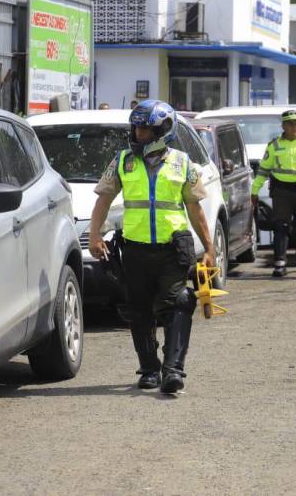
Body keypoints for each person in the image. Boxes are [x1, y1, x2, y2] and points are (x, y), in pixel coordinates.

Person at [88, 100, 215, 395]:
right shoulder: (122, 161)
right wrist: (95, 236)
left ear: (163, 130)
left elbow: (196, 210)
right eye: (136, 128)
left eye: (144, 130)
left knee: (180, 302)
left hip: (173, 249)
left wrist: (209, 248)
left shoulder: (183, 163)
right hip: (134, 250)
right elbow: (103, 200)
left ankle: (173, 370)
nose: (137, 134)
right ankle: (148, 368)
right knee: (139, 310)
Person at [250, 109, 296, 277]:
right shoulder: (274, 145)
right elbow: (263, 170)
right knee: (281, 226)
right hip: (281, 191)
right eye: (290, 123)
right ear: (283, 125)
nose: (294, 126)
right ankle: (280, 262)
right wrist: (254, 191)